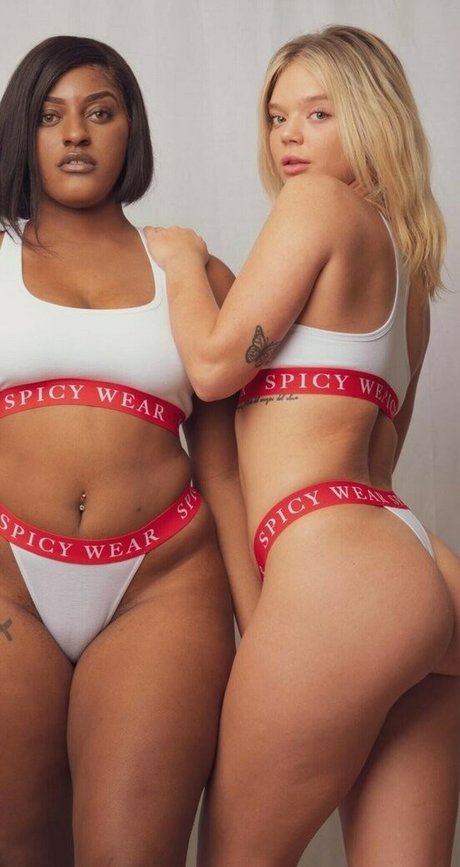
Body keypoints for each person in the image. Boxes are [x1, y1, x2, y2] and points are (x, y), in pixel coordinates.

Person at [145, 24, 460, 866]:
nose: (290, 136)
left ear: (373, 117)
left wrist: (182, 262)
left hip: (341, 577)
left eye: (319, 114)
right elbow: (379, 462)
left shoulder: (316, 205)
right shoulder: (409, 271)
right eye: (277, 116)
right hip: (415, 571)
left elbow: (215, 367)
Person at [0, 34, 257, 867]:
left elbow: (223, 465)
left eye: (99, 113)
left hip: (162, 585)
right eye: (50, 116)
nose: (76, 134)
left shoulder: (189, 268)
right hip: (9, 587)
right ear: (22, 133)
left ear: (131, 129)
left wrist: (263, 626)